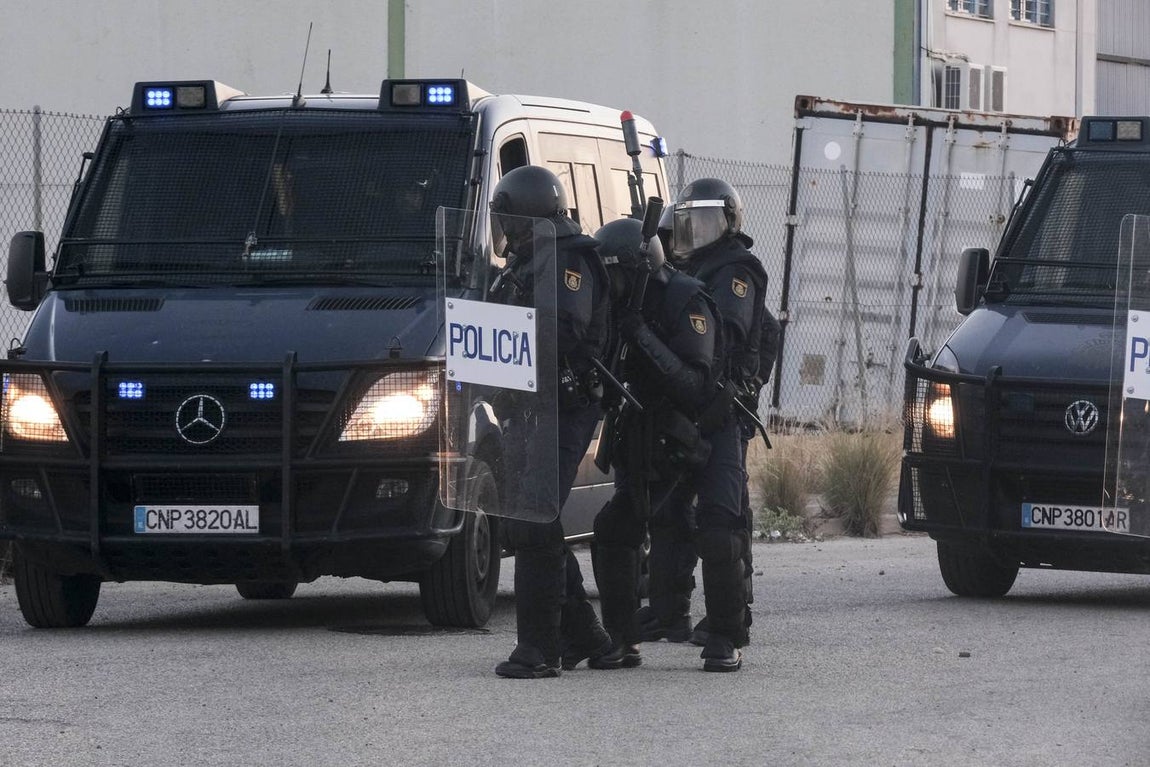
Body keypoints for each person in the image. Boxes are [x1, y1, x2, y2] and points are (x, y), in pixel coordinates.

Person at [641, 178, 773, 671]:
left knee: (721, 521)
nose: (696, 230)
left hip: (720, 412)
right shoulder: (686, 267)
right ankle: (667, 611)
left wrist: (749, 382)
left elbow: (737, 331)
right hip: (681, 404)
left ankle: (727, 632)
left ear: (729, 222)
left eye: (707, 220)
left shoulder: (736, 269)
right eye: (689, 220)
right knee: (668, 511)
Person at [487, 165, 614, 679]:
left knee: (532, 518)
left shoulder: (569, 258)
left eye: (508, 218)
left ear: (529, 215)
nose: (504, 229)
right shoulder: (524, 261)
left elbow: (565, 329)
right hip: (529, 408)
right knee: (534, 519)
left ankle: (539, 649)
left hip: (564, 406)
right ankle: (589, 638)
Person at [589, 216, 722, 669]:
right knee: (617, 530)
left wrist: (640, 334)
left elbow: (694, 386)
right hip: (638, 436)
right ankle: (627, 637)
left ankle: (714, 632)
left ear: (640, 269)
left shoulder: (685, 300)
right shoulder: (618, 304)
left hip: (684, 439)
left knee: (682, 527)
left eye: (617, 273)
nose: (610, 284)